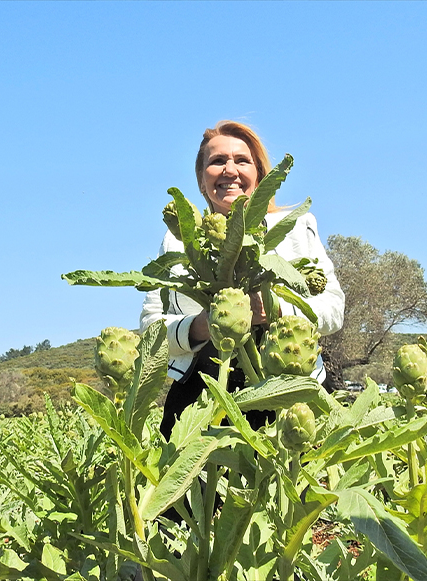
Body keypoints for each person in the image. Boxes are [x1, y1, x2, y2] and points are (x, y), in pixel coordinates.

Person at [140, 121, 344, 439]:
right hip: (202, 394)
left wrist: (274, 310)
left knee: (292, 484)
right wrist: (204, 325)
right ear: (202, 179)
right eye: (217, 161)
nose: (230, 170)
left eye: (242, 160)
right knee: (199, 487)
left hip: (290, 387)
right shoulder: (176, 241)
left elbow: (333, 309)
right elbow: (151, 328)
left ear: (259, 176)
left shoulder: (296, 227)